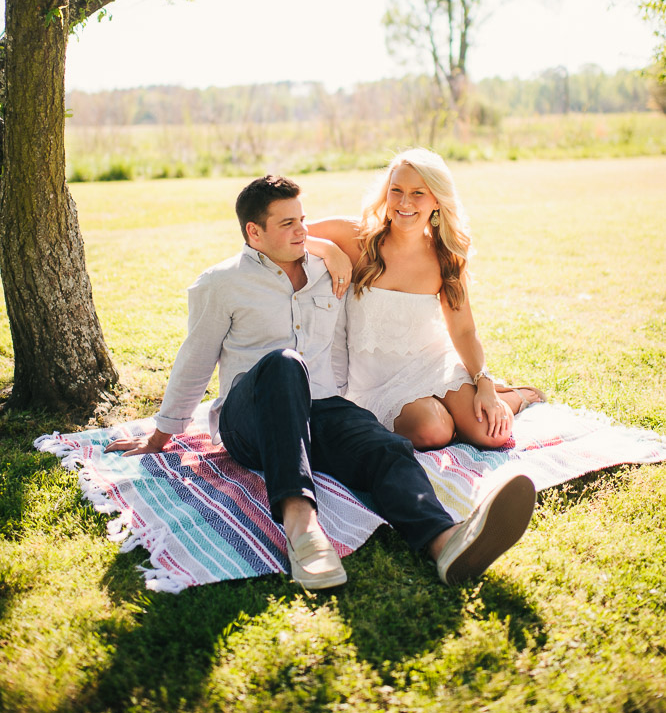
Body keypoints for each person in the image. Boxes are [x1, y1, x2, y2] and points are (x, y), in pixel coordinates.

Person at [105, 174, 536, 591]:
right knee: (284, 364)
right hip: (249, 419)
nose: (302, 231)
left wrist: (329, 249)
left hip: (320, 409)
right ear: (254, 233)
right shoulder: (221, 283)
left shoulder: (328, 272)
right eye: (287, 223)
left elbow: (386, 269)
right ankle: (303, 528)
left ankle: (444, 541)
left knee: (385, 446)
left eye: (303, 220)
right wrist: (161, 435)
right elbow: (193, 361)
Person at [307, 148, 546, 452]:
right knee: (434, 431)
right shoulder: (357, 238)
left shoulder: (446, 257)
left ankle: (513, 396)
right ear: (386, 193)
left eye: (418, 193)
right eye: (397, 191)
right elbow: (288, 232)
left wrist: (483, 384)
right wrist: (329, 250)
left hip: (433, 363)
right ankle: (453, 412)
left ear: (436, 200)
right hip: (378, 380)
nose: (405, 203)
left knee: (492, 434)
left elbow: (463, 330)